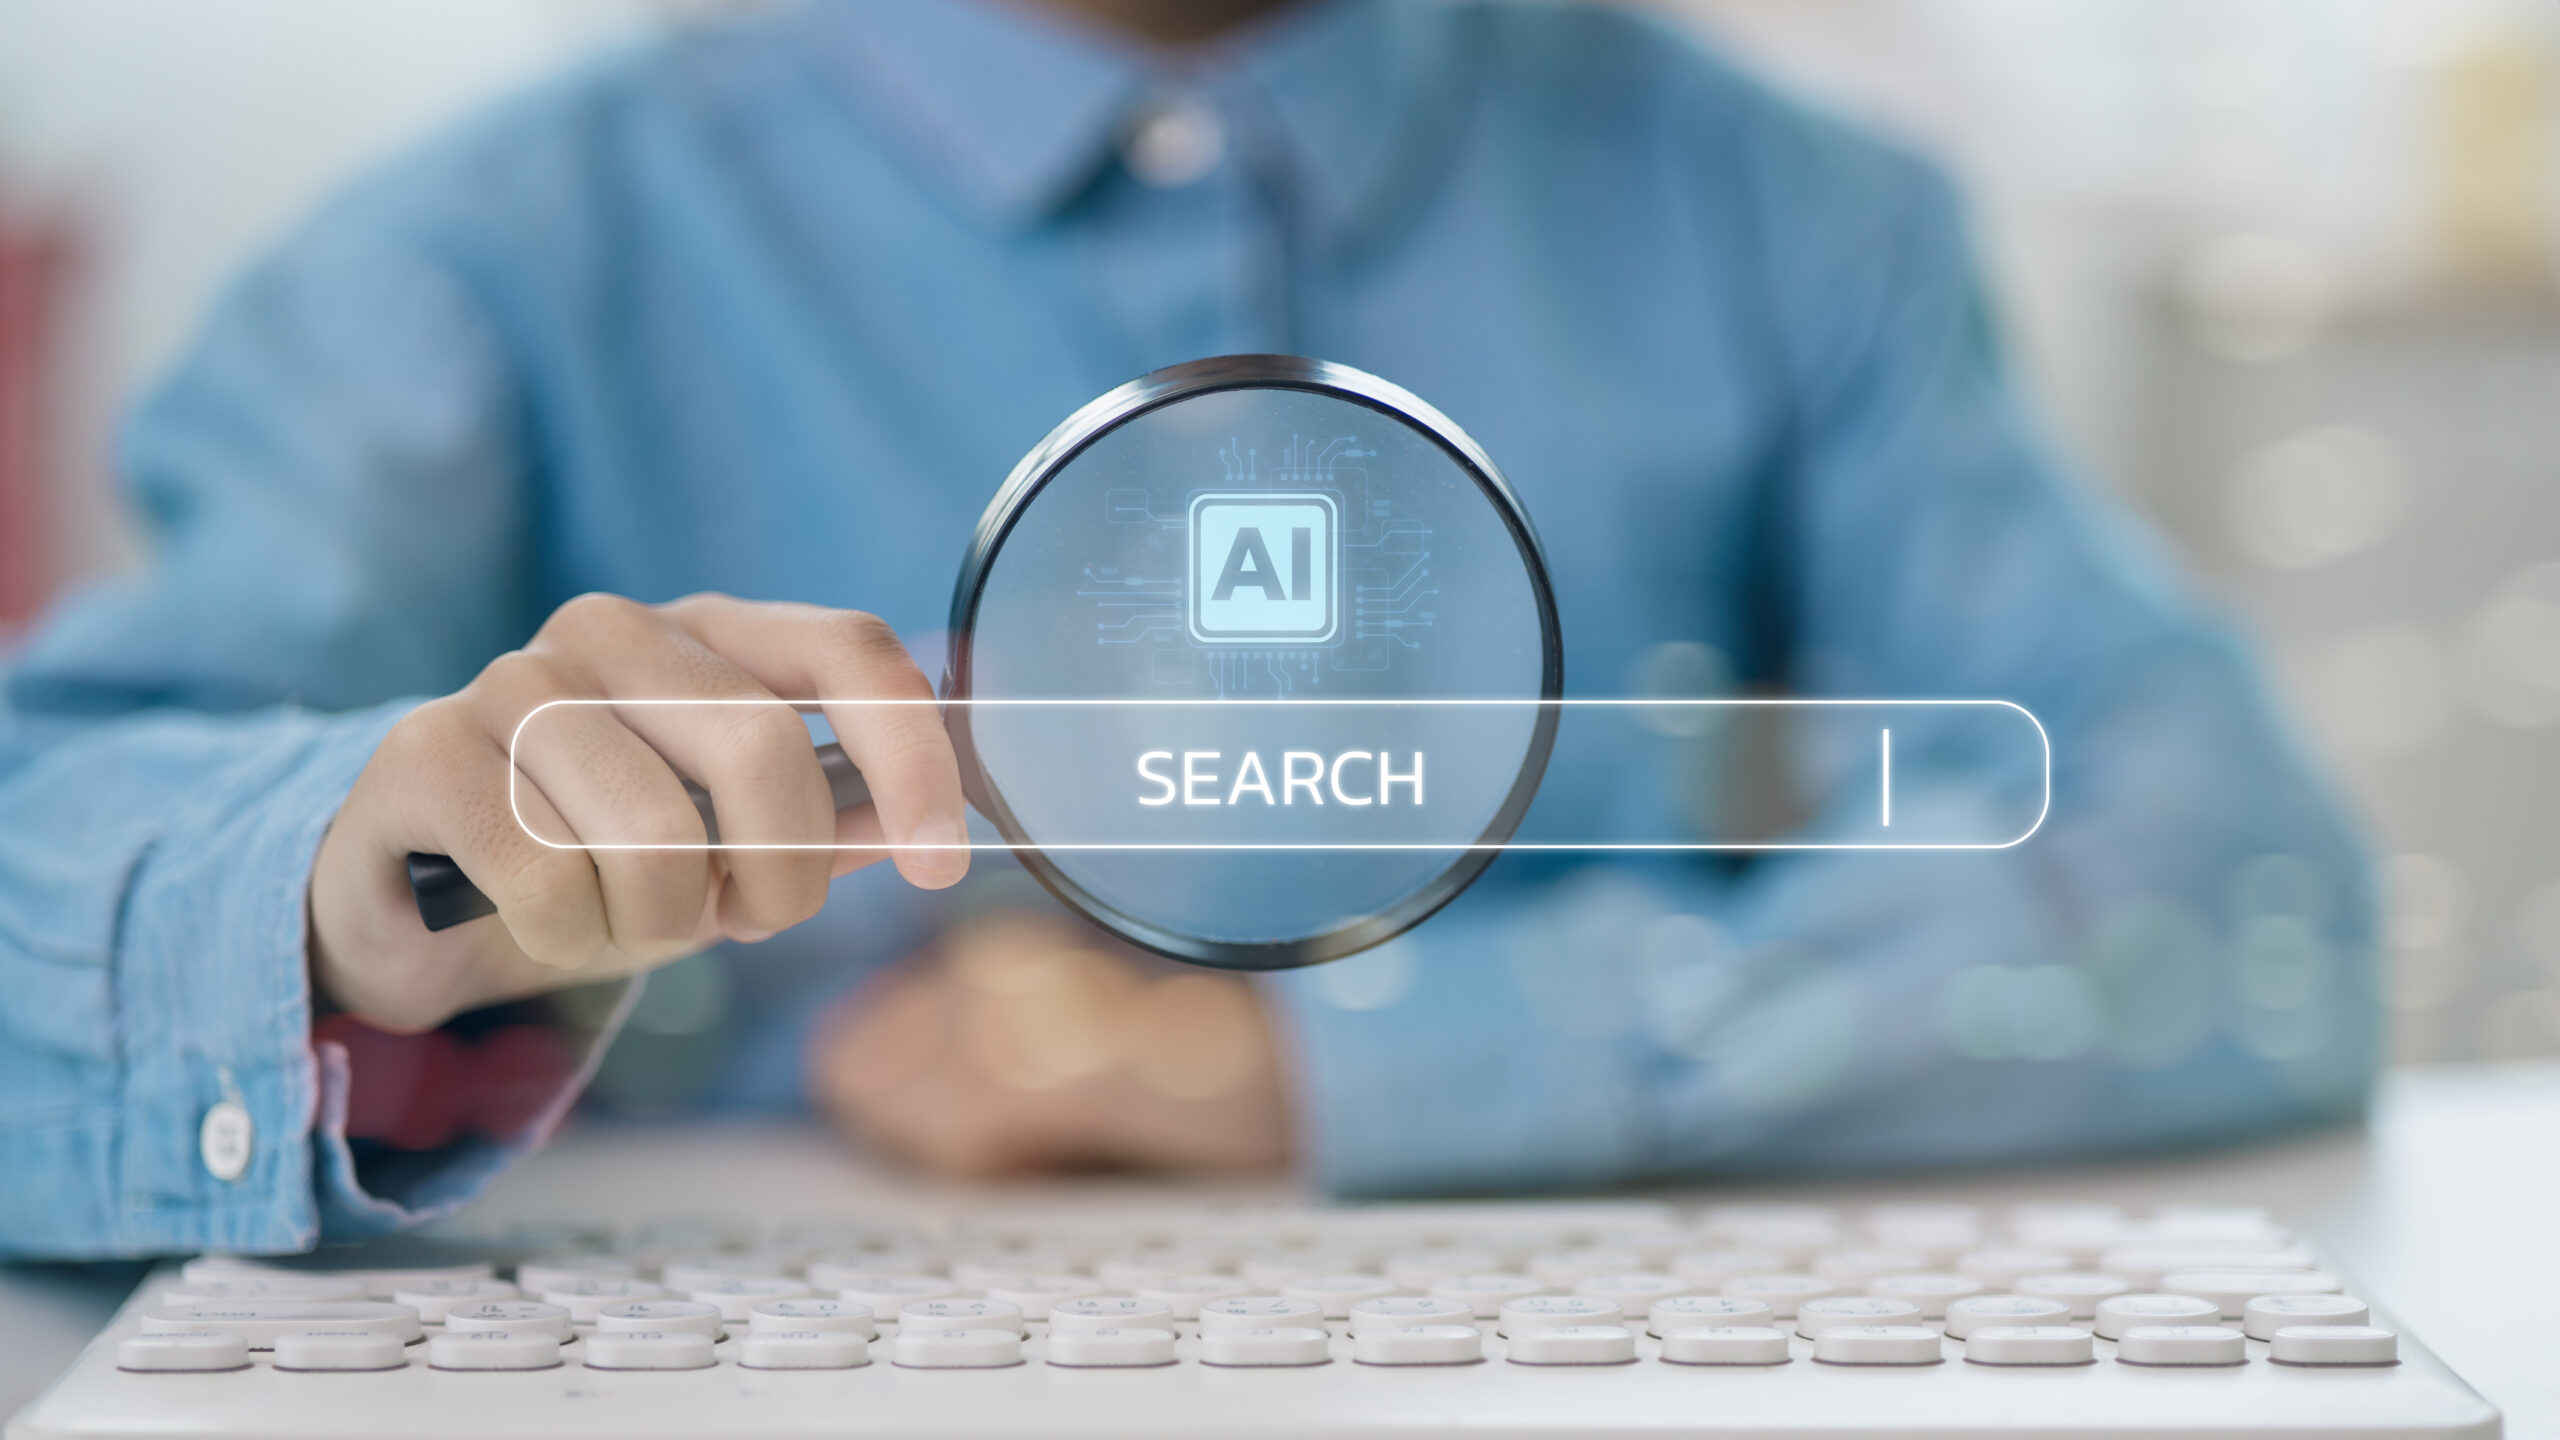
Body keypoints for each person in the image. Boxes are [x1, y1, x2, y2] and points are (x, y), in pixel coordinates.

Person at [0, 0, 2374, 1260]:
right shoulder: (476, 258)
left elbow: (2235, 894)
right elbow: (46, 858)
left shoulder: (1796, 219)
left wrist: (1321, 1068)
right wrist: (351, 888)